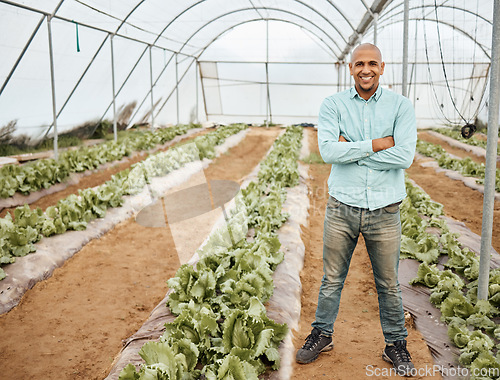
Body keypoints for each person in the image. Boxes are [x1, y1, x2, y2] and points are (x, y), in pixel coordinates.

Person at [295, 43, 417, 377]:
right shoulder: (333, 104)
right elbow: (328, 151)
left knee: (389, 283)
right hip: (342, 207)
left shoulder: (400, 106)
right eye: (359, 63)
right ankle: (323, 333)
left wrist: (352, 150)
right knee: (331, 278)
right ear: (351, 69)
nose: (366, 69)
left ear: (382, 67)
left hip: (384, 209)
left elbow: (404, 156)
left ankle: (395, 343)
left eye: (372, 64)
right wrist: (378, 144)